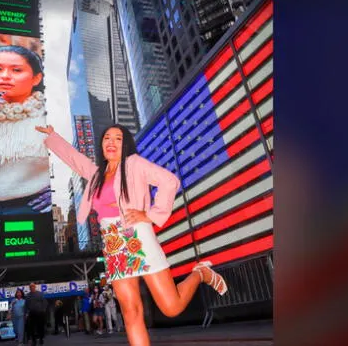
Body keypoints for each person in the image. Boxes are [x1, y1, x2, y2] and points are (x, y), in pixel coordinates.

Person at [35, 124, 228, 346]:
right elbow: (76, 160)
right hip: (113, 244)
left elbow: (169, 181)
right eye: (107, 137)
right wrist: (53, 136)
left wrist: (151, 214)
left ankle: (201, 273)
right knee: (130, 312)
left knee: (171, 307)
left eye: (118, 138)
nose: (111, 142)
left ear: (126, 144)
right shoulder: (97, 174)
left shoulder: (134, 164)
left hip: (138, 237)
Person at [0, 45, 51, 215]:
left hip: (31, 209)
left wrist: (57, 191)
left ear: (36, 78)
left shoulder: (49, 114)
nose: (5, 76)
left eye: (16, 70)